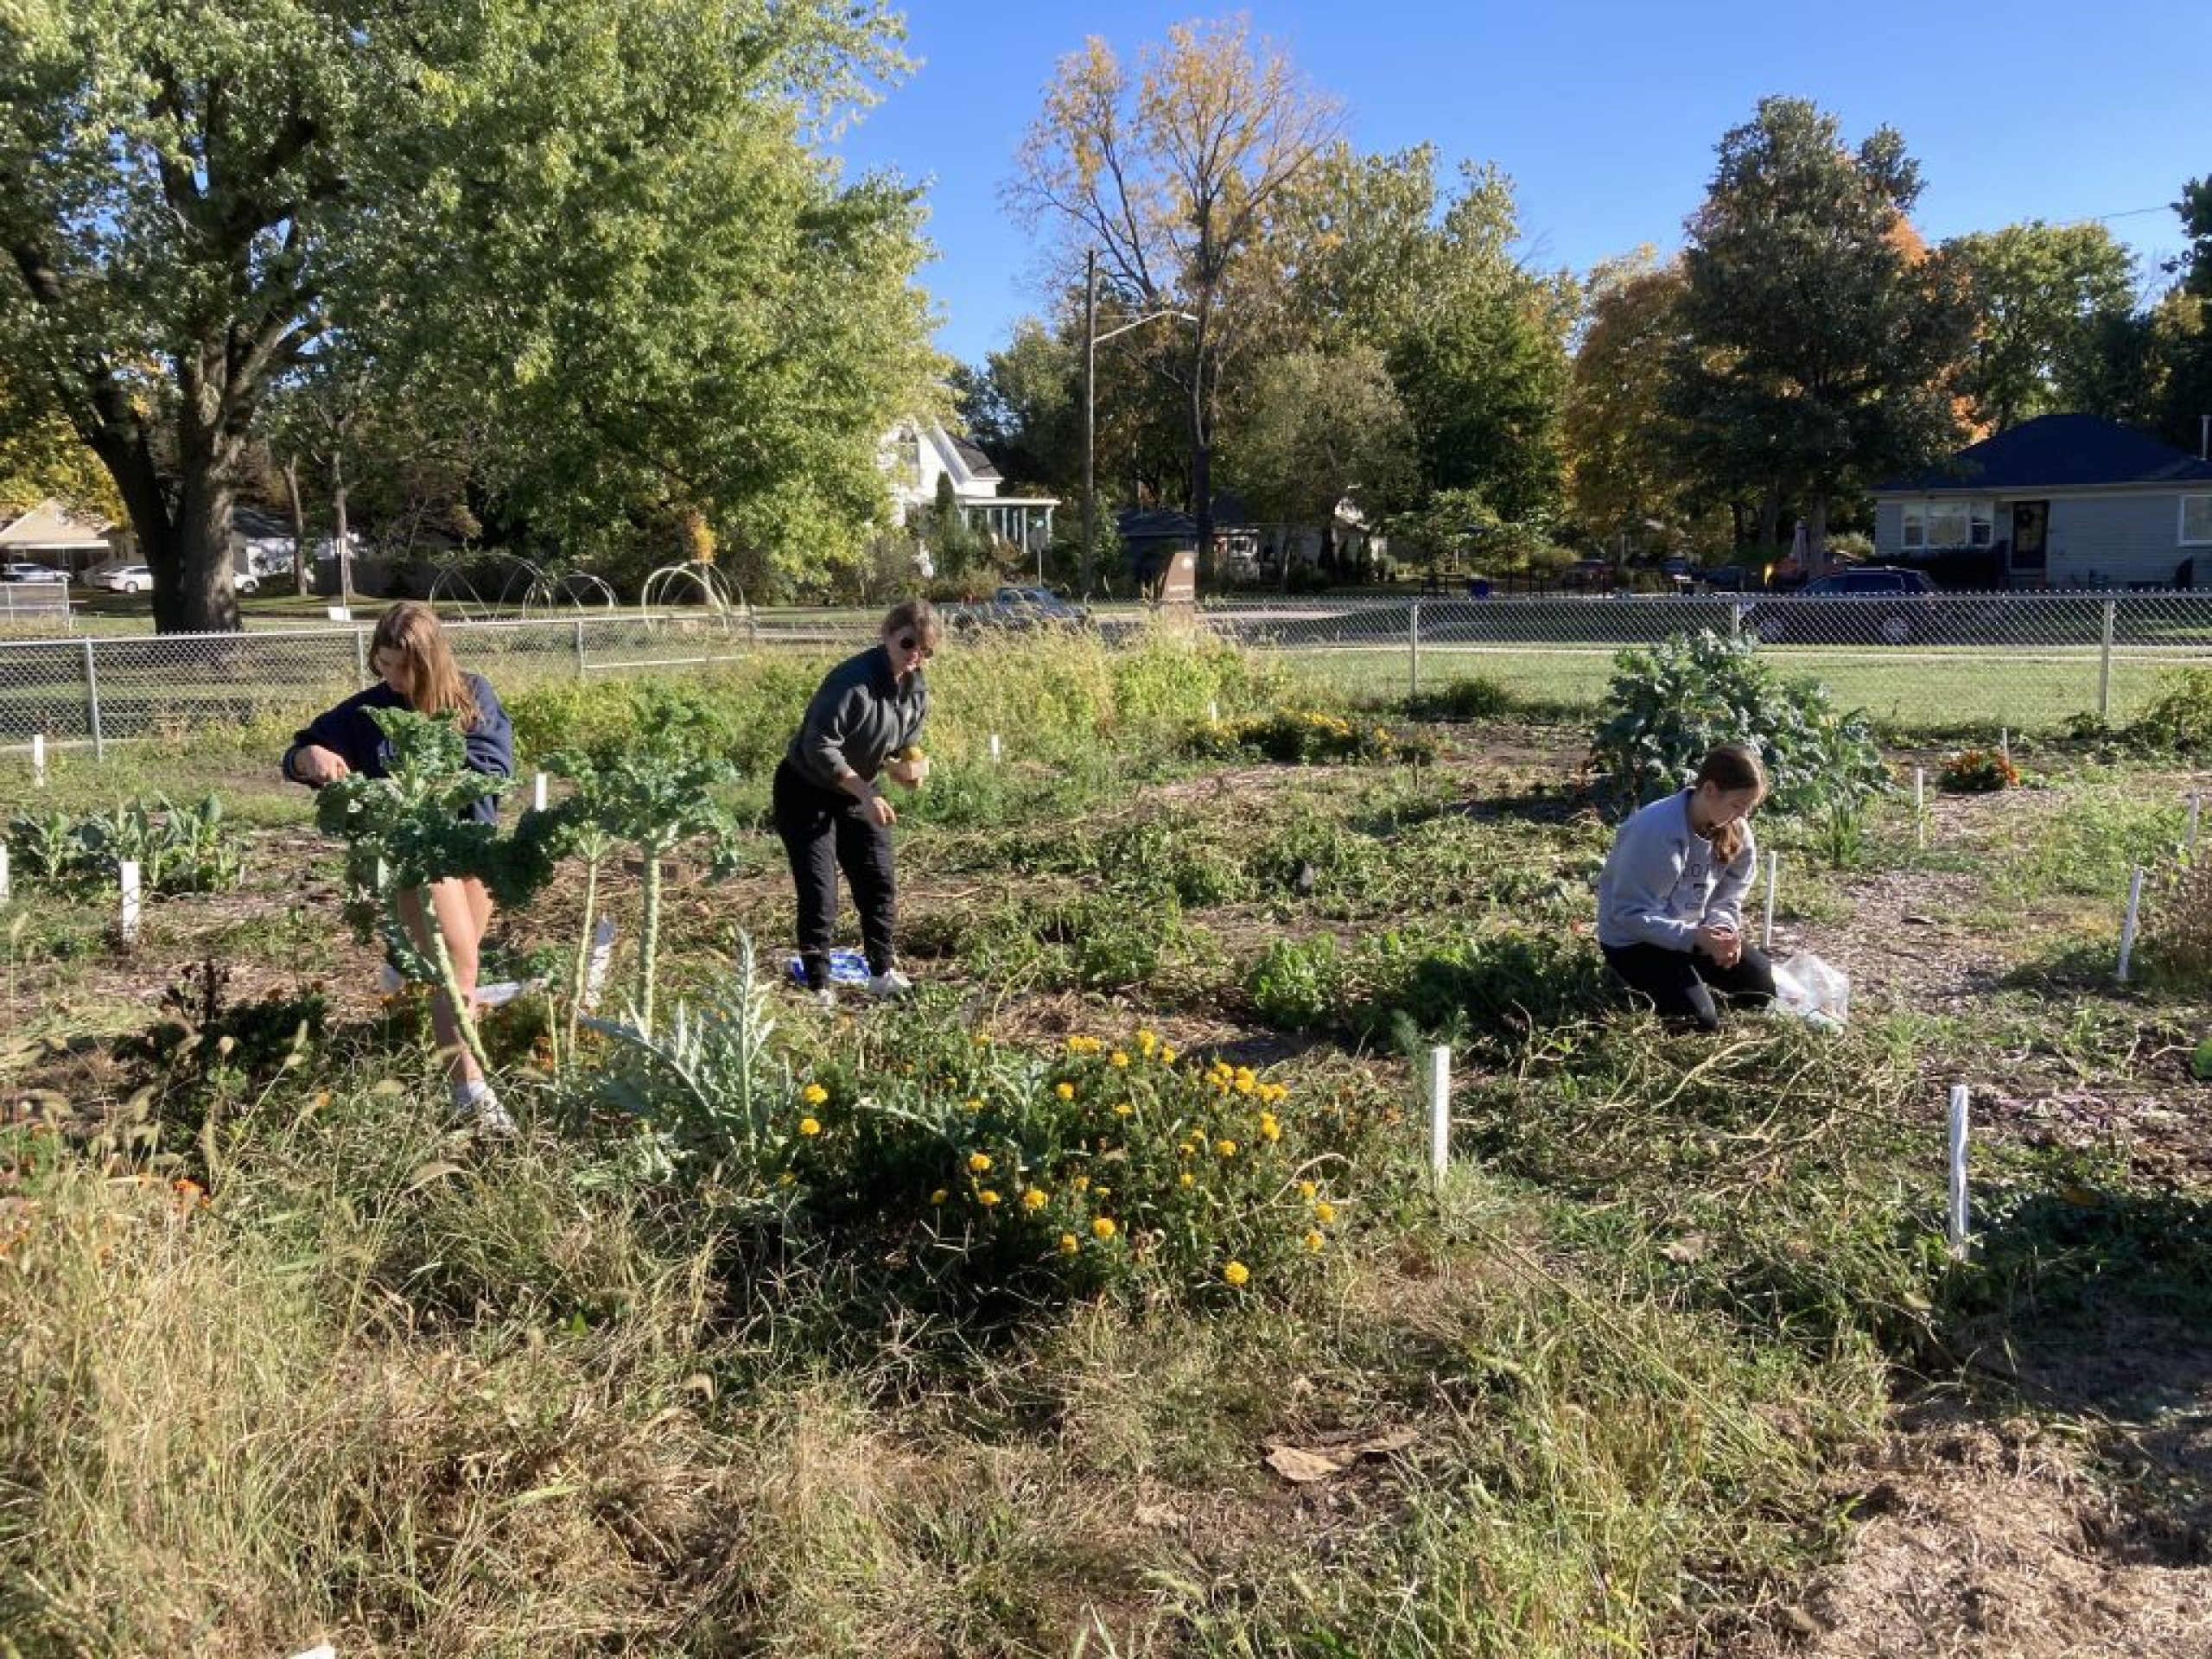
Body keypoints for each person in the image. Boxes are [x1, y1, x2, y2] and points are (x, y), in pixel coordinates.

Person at [283, 601, 516, 1132]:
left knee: (462, 968)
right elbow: (298, 752)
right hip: (411, 856)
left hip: (469, 849)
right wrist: (308, 758)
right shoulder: (367, 711)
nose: (392, 678)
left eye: (404, 667)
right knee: (457, 967)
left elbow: (493, 767)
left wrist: (423, 779)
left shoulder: (472, 696)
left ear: (432, 662)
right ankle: (470, 1097)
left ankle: (402, 957)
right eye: (383, 665)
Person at [773, 599, 937, 1005]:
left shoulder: (915, 689)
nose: (915, 655)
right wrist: (865, 791)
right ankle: (819, 986)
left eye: (926, 649)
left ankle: (881, 973)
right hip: (806, 789)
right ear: (887, 635)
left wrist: (907, 769)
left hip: (858, 791)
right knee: (820, 891)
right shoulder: (852, 682)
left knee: (878, 880)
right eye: (908, 643)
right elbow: (819, 745)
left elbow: (902, 744)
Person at [1596, 742, 1774, 1032]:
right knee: (1698, 1022)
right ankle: (1625, 980)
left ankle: (1683, 975)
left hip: (1691, 931)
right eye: (1737, 805)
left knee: (1761, 987)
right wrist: (1694, 937)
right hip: (1636, 941)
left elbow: (1730, 892)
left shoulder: (1734, 827)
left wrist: (1721, 928)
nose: (1743, 817)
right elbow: (1629, 914)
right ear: (1710, 790)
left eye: (1748, 808)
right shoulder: (1657, 831)